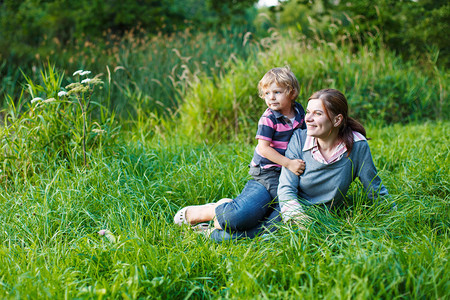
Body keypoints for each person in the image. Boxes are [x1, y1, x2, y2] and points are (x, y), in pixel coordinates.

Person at [173, 67, 306, 238]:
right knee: (246, 215)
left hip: (288, 173)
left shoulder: (300, 112)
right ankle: (215, 210)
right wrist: (289, 163)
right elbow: (264, 148)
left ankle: (213, 234)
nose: (271, 97)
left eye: (277, 92)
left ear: (292, 93)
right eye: (267, 93)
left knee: (275, 226)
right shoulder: (269, 119)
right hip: (267, 172)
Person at [278, 88, 394, 222]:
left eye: (317, 113)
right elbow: (286, 188)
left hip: (328, 219)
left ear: (337, 120)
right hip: (293, 209)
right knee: (251, 223)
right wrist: (300, 219)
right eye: (308, 112)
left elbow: (374, 189)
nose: (308, 119)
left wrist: (395, 218)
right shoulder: (299, 139)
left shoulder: (357, 146)